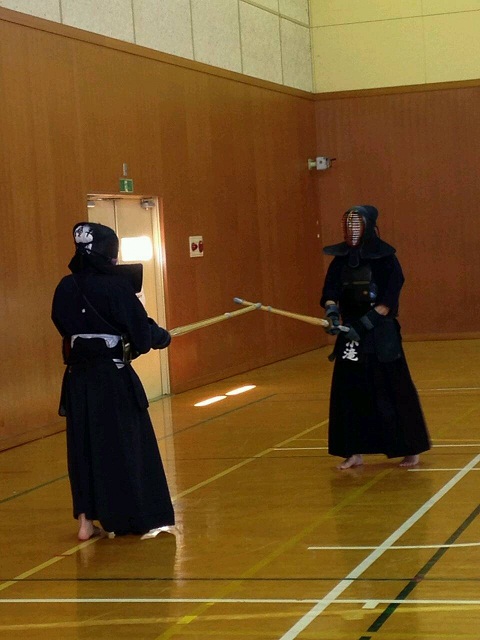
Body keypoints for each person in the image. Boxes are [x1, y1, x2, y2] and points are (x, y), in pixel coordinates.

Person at [52, 222, 175, 539]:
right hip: (112, 379)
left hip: (77, 381)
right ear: (108, 254)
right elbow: (142, 336)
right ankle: (130, 517)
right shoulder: (117, 287)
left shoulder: (65, 286)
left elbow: (63, 325)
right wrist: (161, 337)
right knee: (123, 445)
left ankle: (85, 521)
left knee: (83, 446)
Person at [320, 205, 430, 470]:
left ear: (369, 226)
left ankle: (409, 448)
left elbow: (388, 300)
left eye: (357, 224)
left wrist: (366, 323)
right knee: (349, 392)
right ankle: (353, 451)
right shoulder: (340, 260)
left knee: (393, 389)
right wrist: (332, 313)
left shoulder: (387, 259)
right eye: (348, 225)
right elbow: (330, 291)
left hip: (381, 334)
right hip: (350, 334)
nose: (352, 230)